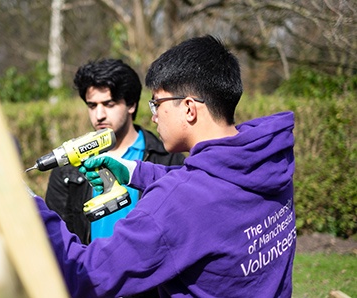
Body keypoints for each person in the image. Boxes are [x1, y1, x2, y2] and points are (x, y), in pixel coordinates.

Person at [35, 35, 296, 298]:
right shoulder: (268, 160)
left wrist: (29, 208)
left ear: (189, 108)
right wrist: (137, 172)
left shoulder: (177, 202)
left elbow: (87, 274)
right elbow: (210, 183)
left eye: (157, 104)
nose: (153, 116)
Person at [45, 58, 185, 245]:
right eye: (92, 105)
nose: (99, 115)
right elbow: (57, 236)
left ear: (131, 105)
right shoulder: (68, 168)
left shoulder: (167, 158)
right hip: (90, 271)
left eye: (109, 104)